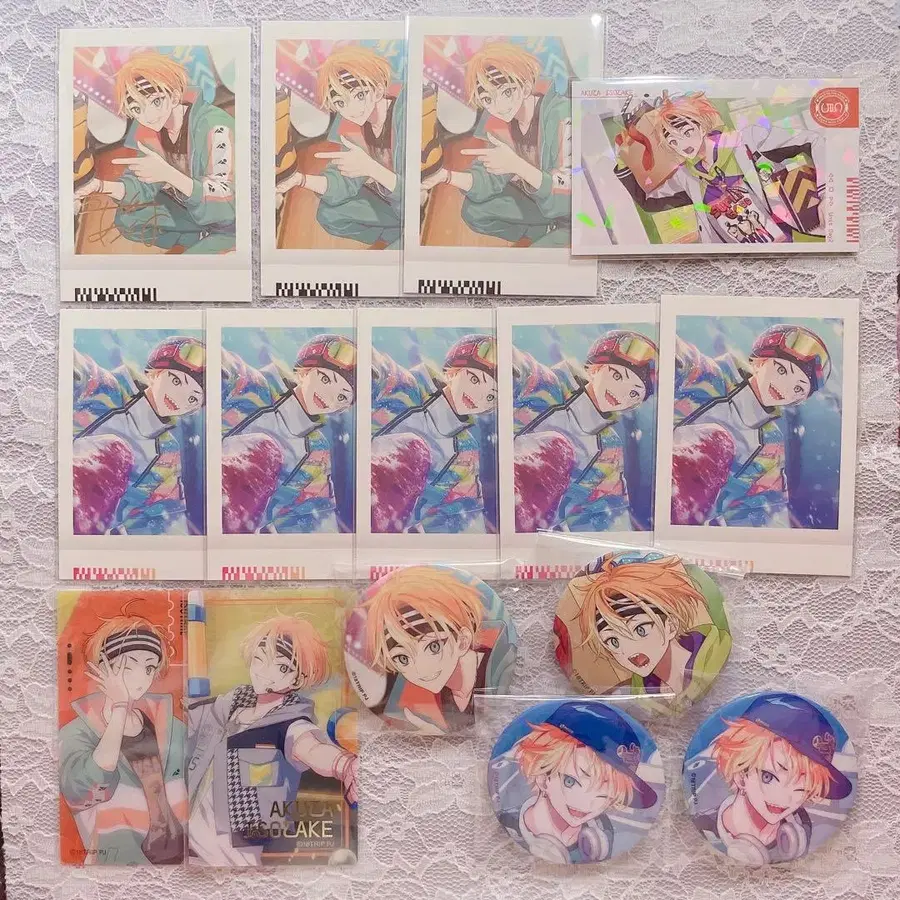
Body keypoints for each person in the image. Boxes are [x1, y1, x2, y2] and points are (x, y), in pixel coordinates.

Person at [187, 615, 358, 865]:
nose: (263, 672)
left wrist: (344, 765)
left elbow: (311, 748)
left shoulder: (291, 722)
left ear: (297, 678)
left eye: (281, 667)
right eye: (259, 658)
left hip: (232, 856)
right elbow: (192, 719)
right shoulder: (233, 704)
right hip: (189, 842)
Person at [74, 50, 237, 252]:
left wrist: (169, 175)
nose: (148, 116)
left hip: (230, 222)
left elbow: (227, 202)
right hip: (194, 213)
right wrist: (99, 186)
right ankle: (199, 239)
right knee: (128, 219)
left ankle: (220, 245)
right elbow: (141, 185)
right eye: (137, 109)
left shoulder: (215, 127)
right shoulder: (150, 130)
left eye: (156, 101)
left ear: (175, 95)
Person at [612, 91, 826, 244]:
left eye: (686, 132)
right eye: (673, 142)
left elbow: (813, 140)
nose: (682, 144)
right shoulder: (685, 176)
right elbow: (649, 202)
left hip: (789, 244)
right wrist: (624, 163)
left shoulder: (749, 140)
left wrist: (827, 194)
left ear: (701, 125)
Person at [672, 323, 831, 527]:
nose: (784, 388)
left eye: (798, 388)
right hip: (663, 473)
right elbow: (679, 355)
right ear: (760, 361)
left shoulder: (769, 450)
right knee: (717, 440)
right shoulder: (712, 376)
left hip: (686, 517)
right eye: (781, 370)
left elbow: (759, 513)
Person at [59, 615, 186, 865]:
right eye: (129, 665)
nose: (142, 677)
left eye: (149, 668)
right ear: (102, 666)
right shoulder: (75, 733)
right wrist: (119, 707)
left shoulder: (171, 727)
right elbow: (81, 791)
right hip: (122, 860)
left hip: (182, 856)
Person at [421, 42, 572, 247]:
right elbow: (488, 179)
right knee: (474, 212)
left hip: (575, 216)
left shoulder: (562, 115)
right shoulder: (499, 121)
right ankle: (542, 230)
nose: (498, 105)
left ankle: (552, 236)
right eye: (487, 99)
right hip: (543, 207)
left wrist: (517, 165)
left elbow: (568, 195)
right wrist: (445, 176)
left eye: (507, 92)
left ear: (526, 85)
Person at [513, 330, 657, 532]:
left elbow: (605, 514)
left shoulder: (608, 450)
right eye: (616, 376)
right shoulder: (546, 385)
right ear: (595, 368)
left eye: (633, 393)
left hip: (537, 530)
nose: (620, 393)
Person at [692, 693, 853, 865]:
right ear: (740, 775)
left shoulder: (801, 829)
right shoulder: (705, 825)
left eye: (802, 789)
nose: (784, 797)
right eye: (768, 777)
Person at [220, 333, 356, 534]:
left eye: (342, 397)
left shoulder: (316, 451)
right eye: (325, 379)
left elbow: (308, 517)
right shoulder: (256, 387)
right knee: (263, 449)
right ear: (305, 372)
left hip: (244, 532)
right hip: (215, 500)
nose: (328, 396)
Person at [493, 702, 658, 864]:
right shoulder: (508, 822)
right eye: (570, 781)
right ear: (542, 777)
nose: (586, 803)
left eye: (604, 796)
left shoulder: (601, 831)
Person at [72, 335, 205, 535]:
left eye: (192, 398)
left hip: (92, 532)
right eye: (176, 381)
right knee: (114, 451)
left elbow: (163, 521)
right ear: (155, 373)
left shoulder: (167, 454)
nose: (179, 398)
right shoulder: (104, 387)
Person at [564, 551, 731, 710]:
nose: (629, 651)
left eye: (640, 630)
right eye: (613, 641)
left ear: (671, 625)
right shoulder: (639, 696)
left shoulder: (715, 652)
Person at [276, 46, 404, 248]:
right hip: (391, 205)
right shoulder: (352, 125)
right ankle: (395, 235)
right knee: (330, 214)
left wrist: (371, 169)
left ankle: (403, 239)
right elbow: (343, 183)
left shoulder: (405, 114)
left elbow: (416, 189)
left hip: (410, 203)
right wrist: (300, 180)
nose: (351, 109)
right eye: (341, 103)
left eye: (359, 95)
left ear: (379, 90)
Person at [363, 567, 515, 734]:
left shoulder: (499, 668)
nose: (421, 670)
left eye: (433, 647)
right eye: (402, 658)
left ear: (462, 641)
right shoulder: (410, 698)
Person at [371, 334, 497, 534]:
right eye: (474, 380)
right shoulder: (406, 387)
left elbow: (463, 512)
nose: (478, 396)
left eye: (490, 396)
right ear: (453, 371)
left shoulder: (465, 452)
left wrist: (418, 535)